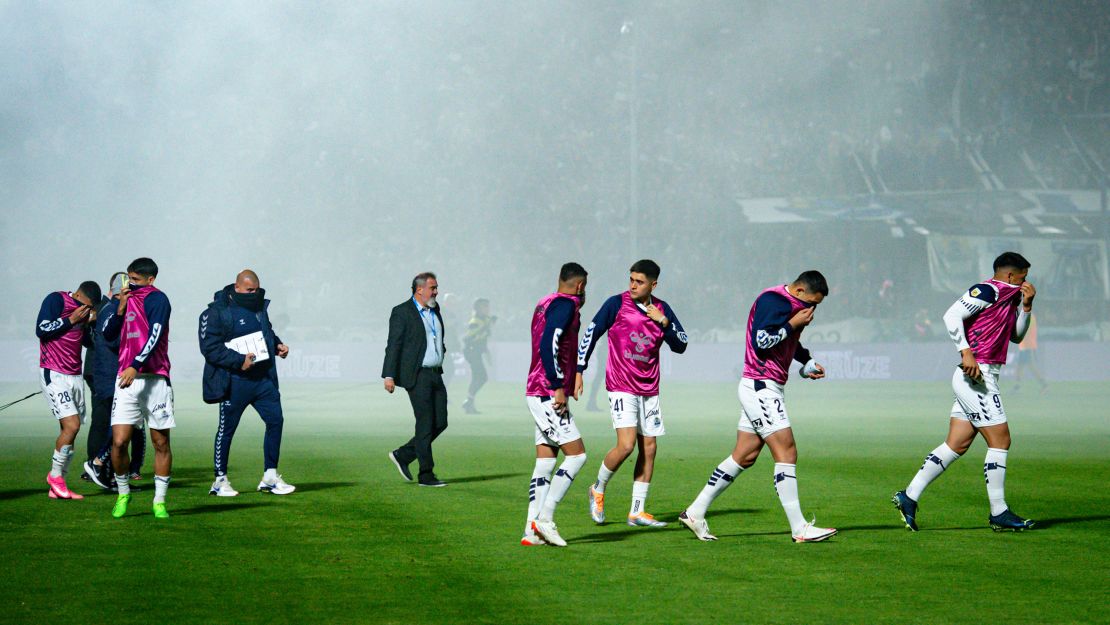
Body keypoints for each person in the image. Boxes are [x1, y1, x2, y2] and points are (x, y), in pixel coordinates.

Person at [678, 271, 837, 543]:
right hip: (761, 386)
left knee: (745, 455)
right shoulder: (774, 302)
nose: (812, 310)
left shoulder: (790, 307)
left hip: (763, 386)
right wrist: (791, 324)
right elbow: (761, 341)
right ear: (798, 291)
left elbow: (789, 341)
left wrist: (806, 361)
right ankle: (799, 528)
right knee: (786, 451)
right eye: (812, 302)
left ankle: (695, 511)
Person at [892, 252, 1037, 532]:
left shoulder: (1010, 296)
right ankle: (999, 512)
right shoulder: (987, 290)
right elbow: (951, 315)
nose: (1025, 282)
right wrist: (966, 352)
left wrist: (1027, 307)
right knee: (1001, 440)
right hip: (976, 374)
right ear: (1010, 275)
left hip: (980, 374)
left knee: (956, 444)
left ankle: (908, 496)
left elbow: (1016, 336)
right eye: (1023, 276)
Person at [577, 259, 688, 528]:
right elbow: (591, 334)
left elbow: (681, 344)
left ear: (653, 284)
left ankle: (636, 511)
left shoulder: (663, 310)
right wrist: (580, 369)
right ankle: (598, 488)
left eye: (639, 281)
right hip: (621, 384)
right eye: (631, 280)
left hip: (649, 388)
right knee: (626, 445)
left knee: (649, 448)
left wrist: (663, 322)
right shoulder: (615, 304)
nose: (633, 285)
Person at [200, 269, 294, 497]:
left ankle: (270, 477)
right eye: (249, 290)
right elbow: (210, 349)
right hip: (234, 381)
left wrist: (277, 345)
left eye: (256, 290)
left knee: (276, 421)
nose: (254, 294)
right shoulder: (215, 313)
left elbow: (266, 332)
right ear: (237, 287)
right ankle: (220, 481)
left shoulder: (260, 307)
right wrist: (238, 361)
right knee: (227, 430)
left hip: (263, 380)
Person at [100, 257, 175, 519]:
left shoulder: (158, 299)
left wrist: (136, 364)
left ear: (151, 279)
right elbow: (107, 334)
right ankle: (123, 493)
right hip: (126, 379)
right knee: (119, 442)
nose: (130, 283)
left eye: (136, 279)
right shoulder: (125, 298)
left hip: (154, 379)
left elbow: (155, 333)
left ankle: (159, 501)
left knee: (160, 442)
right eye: (129, 278)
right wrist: (120, 308)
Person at [522, 263, 590, 547]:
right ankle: (545, 519)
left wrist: (572, 373)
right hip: (547, 392)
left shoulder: (545, 302)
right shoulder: (566, 305)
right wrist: (557, 385)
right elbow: (550, 341)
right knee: (577, 456)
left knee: (546, 461)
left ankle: (530, 530)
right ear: (580, 286)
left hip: (537, 389)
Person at [383, 272, 449, 487]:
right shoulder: (402, 312)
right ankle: (426, 474)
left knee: (440, 422)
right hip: (417, 375)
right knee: (425, 423)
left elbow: (436, 337)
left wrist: (441, 352)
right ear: (419, 289)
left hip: (435, 373)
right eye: (433, 288)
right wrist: (389, 375)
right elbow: (394, 344)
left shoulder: (434, 309)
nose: (436, 292)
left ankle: (403, 455)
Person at [36, 279, 101, 499]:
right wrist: (71, 319)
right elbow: (42, 329)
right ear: (81, 297)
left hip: (75, 375)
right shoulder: (56, 299)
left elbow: (85, 342)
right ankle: (55, 477)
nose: (88, 310)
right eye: (89, 305)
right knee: (71, 426)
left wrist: (90, 323)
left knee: (71, 430)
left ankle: (58, 484)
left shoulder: (85, 312)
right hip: (53, 372)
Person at [82, 272, 146, 490]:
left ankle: (112, 475)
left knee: (118, 426)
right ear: (122, 292)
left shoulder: (110, 310)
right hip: (110, 377)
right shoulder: (110, 310)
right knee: (118, 426)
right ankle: (99, 465)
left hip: (111, 376)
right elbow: (111, 340)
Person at [461, 298, 495, 414]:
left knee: (478, 377)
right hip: (472, 351)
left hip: (476, 352)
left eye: (488, 306)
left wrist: (486, 352)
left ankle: (469, 403)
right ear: (478, 308)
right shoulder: (475, 321)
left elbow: (483, 339)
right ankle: (468, 402)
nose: (487, 309)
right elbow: (469, 336)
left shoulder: (484, 320)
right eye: (485, 307)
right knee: (481, 377)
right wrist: (486, 326)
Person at [1013, 312, 1047, 393]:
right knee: (1020, 367)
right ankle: (1017, 387)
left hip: (1028, 346)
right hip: (1024, 346)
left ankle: (1044, 385)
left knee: (1030, 367)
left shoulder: (1030, 317)